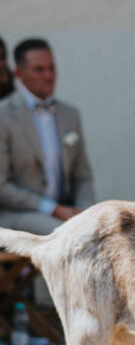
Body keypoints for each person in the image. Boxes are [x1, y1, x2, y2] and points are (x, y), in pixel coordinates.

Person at [0, 38, 95, 234]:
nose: (48, 76)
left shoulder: (70, 114)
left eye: (51, 68)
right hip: (18, 214)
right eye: (39, 70)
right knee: (65, 234)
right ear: (19, 73)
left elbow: (82, 176)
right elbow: (2, 186)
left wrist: (85, 212)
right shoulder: (4, 115)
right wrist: (52, 209)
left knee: (106, 230)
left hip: (66, 210)